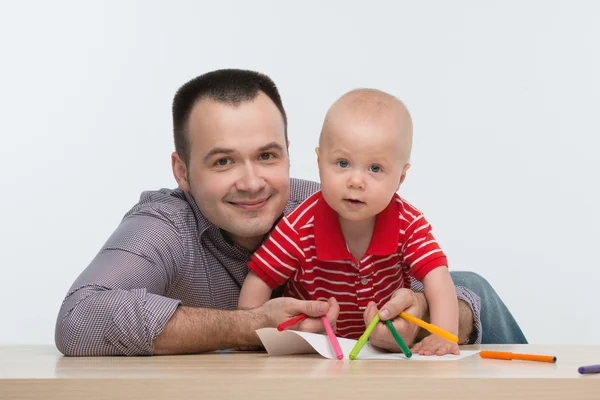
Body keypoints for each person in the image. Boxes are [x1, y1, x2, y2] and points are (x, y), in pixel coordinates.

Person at [54, 69, 526, 356]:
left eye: (267, 156)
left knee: (473, 285)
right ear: (182, 170)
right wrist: (247, 325)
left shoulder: (324, 198)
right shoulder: (163, 226)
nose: (252, 181)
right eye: (223, 161)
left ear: (293, 153)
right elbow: (79, 318)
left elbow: (437, 280)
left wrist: (420, 310)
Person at [239, 89, 459, 355]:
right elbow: (259, 278)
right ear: (319, 162)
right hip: (315, 353)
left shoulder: (408, 223)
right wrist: (250, 338)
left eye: (375, 168)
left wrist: (445, 335)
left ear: (400, 178)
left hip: (385, 353)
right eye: (342, 163)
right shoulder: (298, 226)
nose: (356, 181)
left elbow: (438, 277)